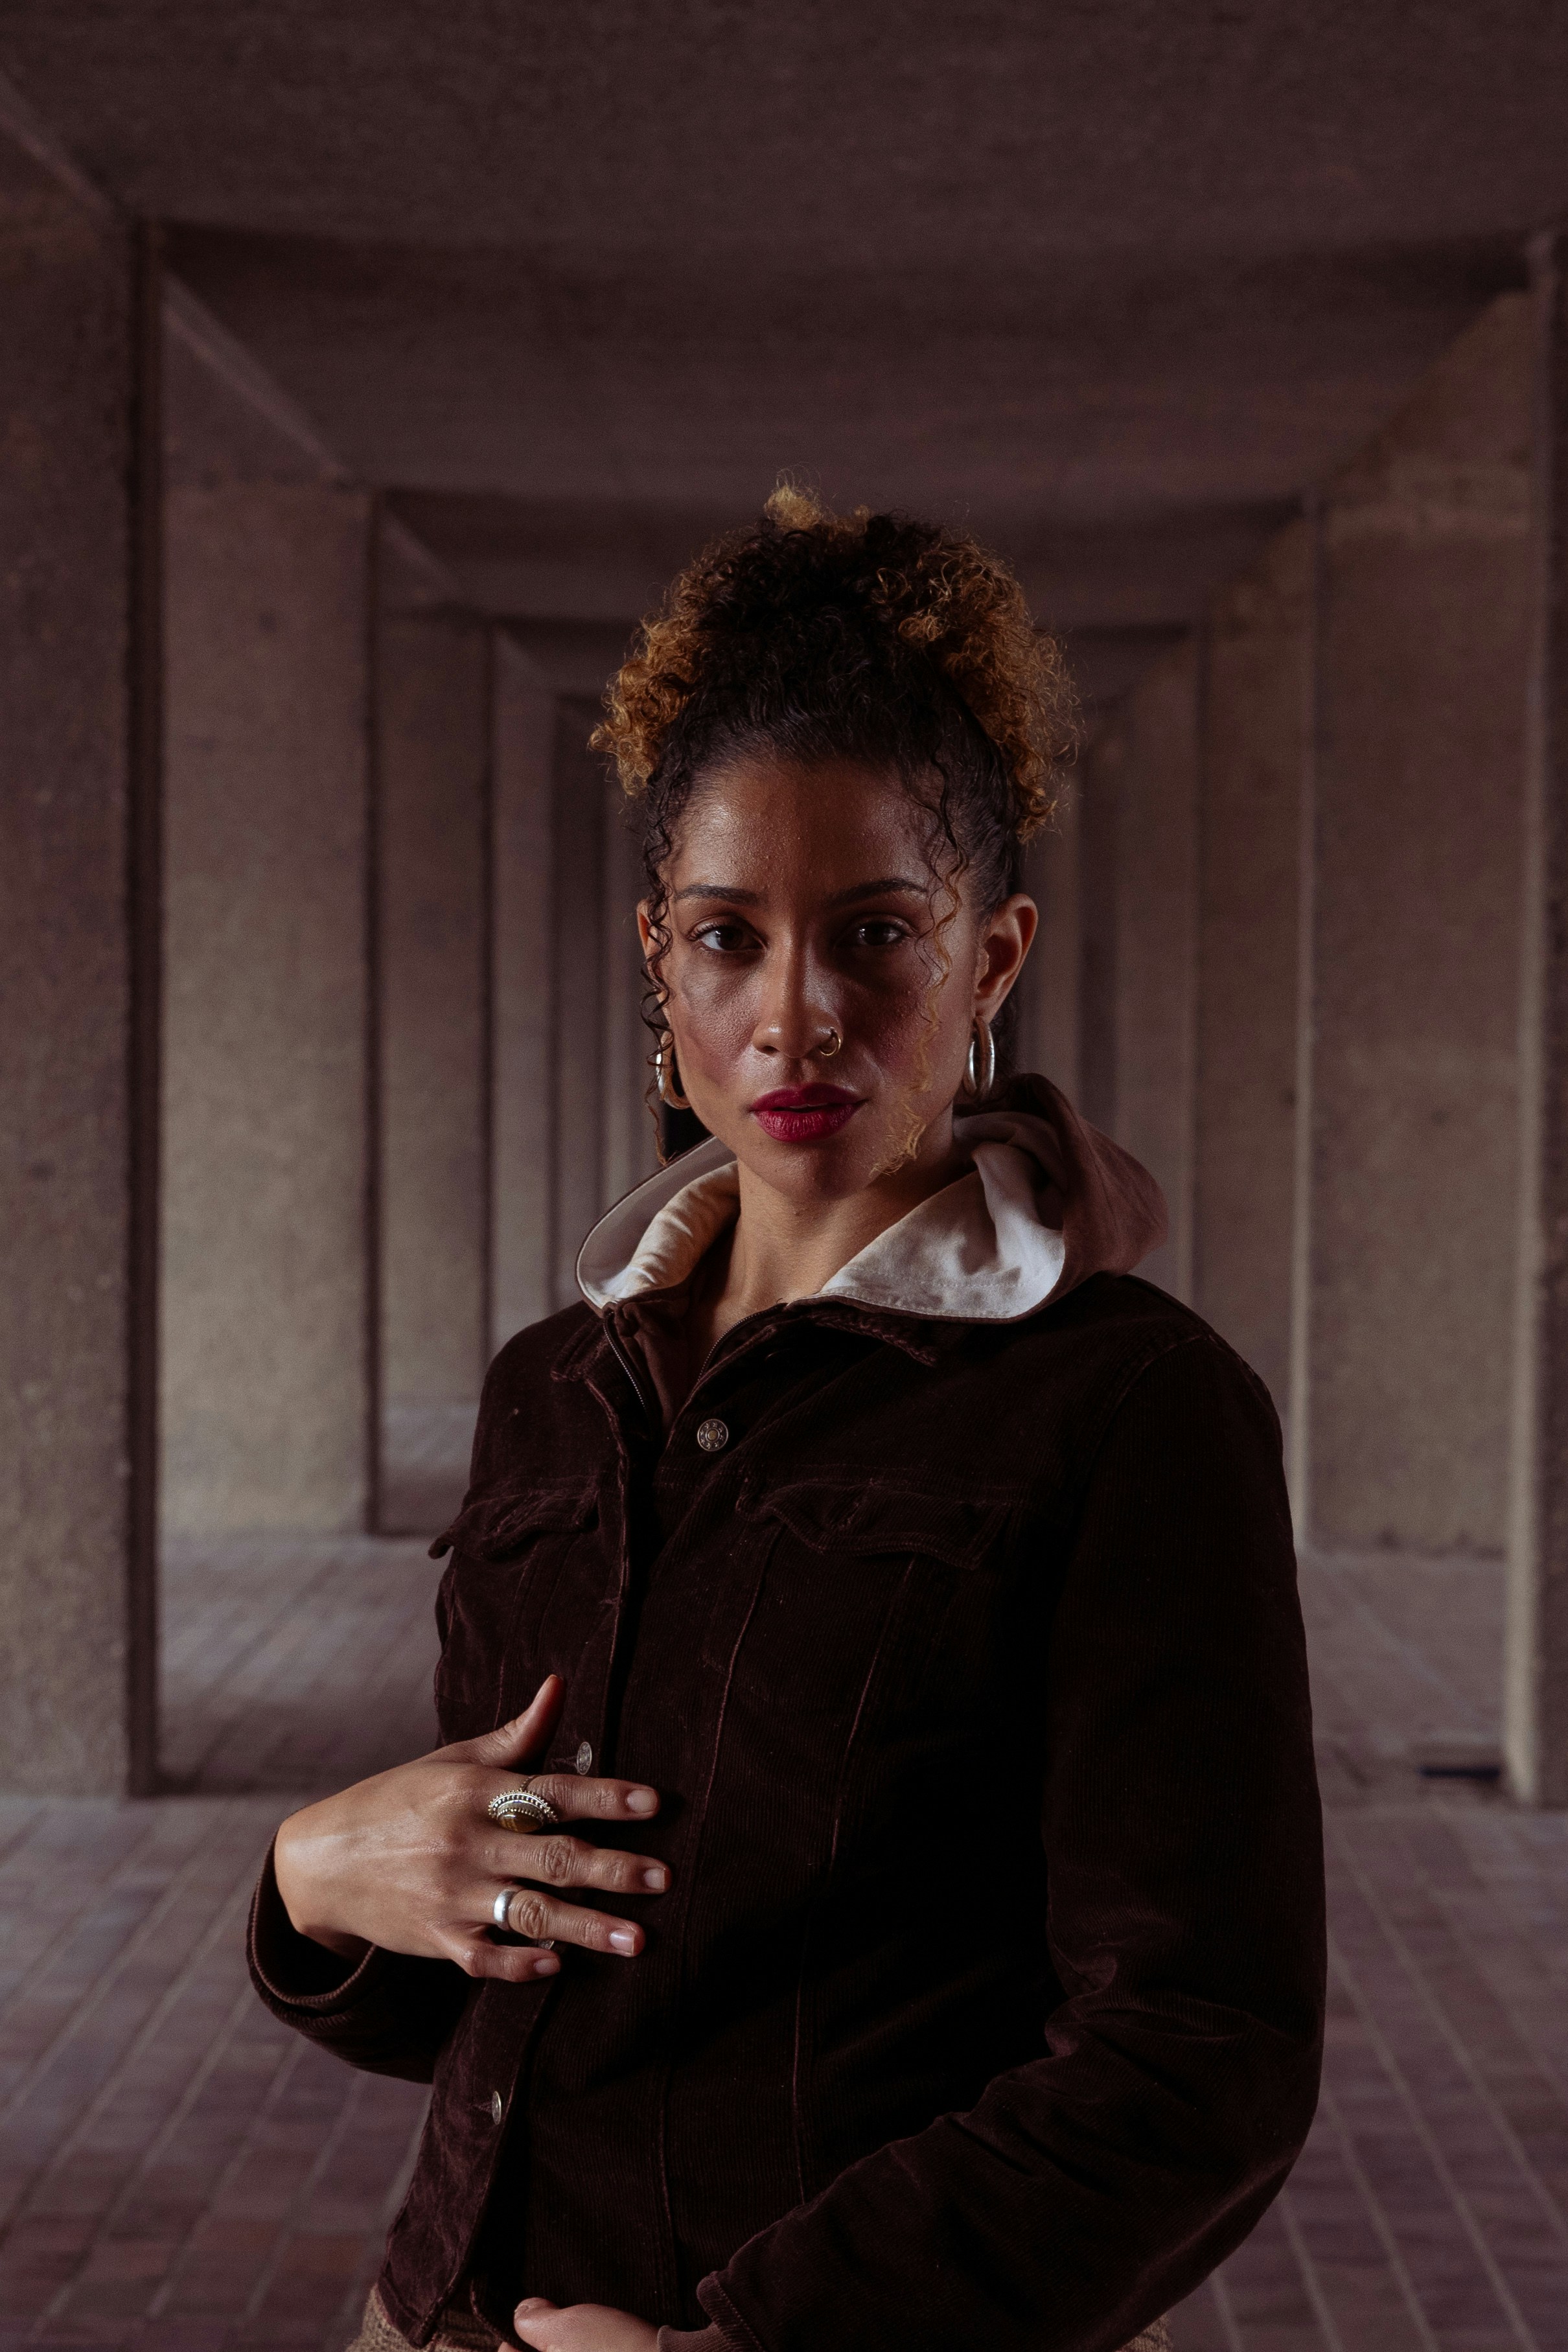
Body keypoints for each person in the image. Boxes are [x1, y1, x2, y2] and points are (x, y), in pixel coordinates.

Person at [250, 489, 1325, 2352]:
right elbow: (538, 1976)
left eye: (875, 934)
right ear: (656, 962)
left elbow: (1199, 2051)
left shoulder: (1130, 1408)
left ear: (992, 959)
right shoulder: (553, 1388)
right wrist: (317, 1889)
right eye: (728, 937)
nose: (794, 1015)